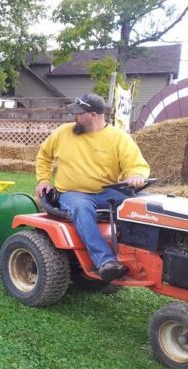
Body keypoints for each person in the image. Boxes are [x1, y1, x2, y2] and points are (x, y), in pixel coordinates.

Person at [35, 93, 150, 282]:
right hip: (73, 193)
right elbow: (44, 155)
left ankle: (142, 255)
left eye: (78, 113)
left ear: (93, 115)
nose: (74, 117)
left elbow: (136, 165)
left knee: (143, 204)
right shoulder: (64, 132)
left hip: (107, 192)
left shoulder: (118, 138)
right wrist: (43, 180)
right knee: (81, 209)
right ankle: (106, 262)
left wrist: (136, 175)